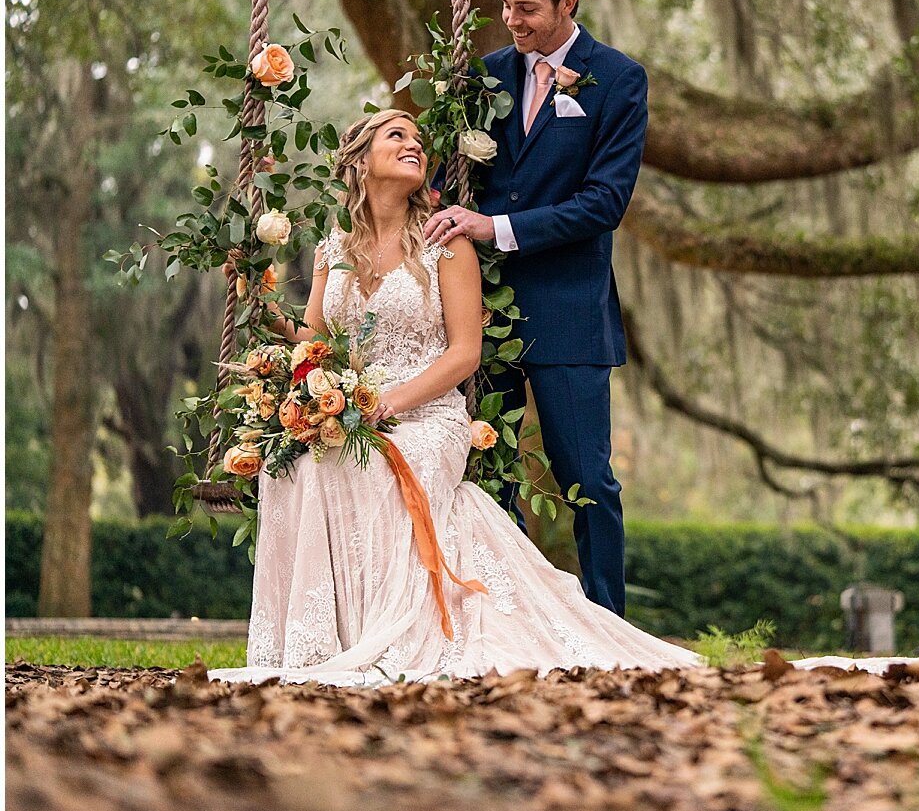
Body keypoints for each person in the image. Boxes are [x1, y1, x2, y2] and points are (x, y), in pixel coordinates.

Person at [209, 109, 702, 686]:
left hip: (428, 414)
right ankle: (321, 641)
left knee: (383, 465)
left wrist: (389, 402)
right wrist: (258, 308)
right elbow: (317, 344)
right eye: (397, 136)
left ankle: (389, 633)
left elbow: (465, 353)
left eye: (419, 139)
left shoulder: (446, 244)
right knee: (287, 466)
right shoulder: (331, 250)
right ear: (360, 161)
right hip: (353, 407)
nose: (414, 144)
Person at [422, 0, 641, 617]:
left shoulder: (618, 79)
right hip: (480, 311)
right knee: (488, 471)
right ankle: (511, 619)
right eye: (505, 6)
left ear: (568, 2)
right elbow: (443, 180)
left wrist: (497, 228)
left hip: (571, 312)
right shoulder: (482, 74)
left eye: (527, 9)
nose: (512, 21)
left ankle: (608, 625)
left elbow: (605, 202)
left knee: (588, 481)